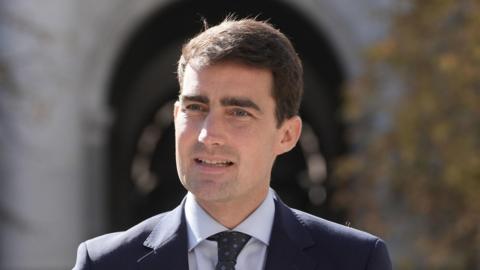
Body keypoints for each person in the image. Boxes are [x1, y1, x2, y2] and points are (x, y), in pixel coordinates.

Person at [73, 17, 392, 270]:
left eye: (238, 112)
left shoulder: (356, 261)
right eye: (195, 108)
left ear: (287, 135)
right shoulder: (104, 264)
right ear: (175, 115)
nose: (207, 135)